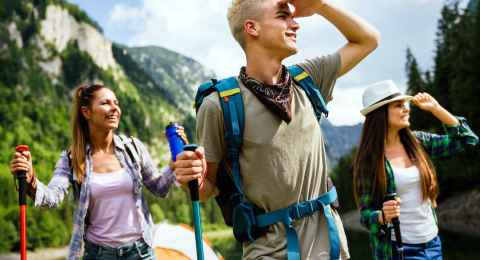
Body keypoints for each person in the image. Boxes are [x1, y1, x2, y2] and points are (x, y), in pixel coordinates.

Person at [174, 0, 380, 259]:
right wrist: (191, 178)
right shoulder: (219, 105)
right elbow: (205, 189)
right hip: (269, 250)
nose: (295, 24)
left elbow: (368, 40)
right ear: (252, 28)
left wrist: (320, 6)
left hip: (329, 243)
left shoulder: (308, 78)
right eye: (284, 17)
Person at [9, 84, 184, 259]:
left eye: (116, 102)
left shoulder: (133, 148)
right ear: (87, 112)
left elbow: (159, 187)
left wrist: (174, 165)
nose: (115, 108)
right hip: (99, 255)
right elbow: (51, 198)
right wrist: (31, 181)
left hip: (140, 253)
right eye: (106, 103)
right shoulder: (72, 158)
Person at [353, 80, 479, 260]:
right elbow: (365, 216)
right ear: (380, 114)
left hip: (433, 244)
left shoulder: (418, 142)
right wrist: (381, 216)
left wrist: (436, 109)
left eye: (405, 104)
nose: (406, 108)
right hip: (399, 250)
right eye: (398, 105)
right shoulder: (369, 160)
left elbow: (469, 141)